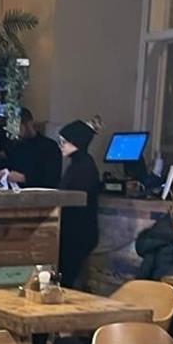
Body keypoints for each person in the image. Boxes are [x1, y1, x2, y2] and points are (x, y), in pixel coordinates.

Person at [57, 119, 102, 288]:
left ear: (76, 142)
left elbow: (74, 200)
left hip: (78, 233)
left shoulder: (83, 167)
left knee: (68, 278)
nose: (61, 146)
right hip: (76, 231)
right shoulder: (80, 164)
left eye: (64, 142)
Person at [0, 107, 62, 189]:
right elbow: (5, 170)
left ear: (29, 124)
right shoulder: (13, 147)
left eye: (17, 127)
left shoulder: (49, 147)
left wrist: (24, 178)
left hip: (40, 195)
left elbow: (52, 179)